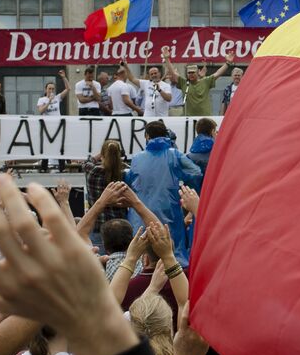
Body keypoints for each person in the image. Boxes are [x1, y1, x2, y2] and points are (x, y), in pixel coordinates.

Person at [126, 120, 202, 265]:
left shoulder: (137, 158)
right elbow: (196, 172)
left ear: (147, 136)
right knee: (173, 256)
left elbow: (131, 180)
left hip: (141, 214)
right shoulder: (175, 155)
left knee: (141, 257)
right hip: (169, 213)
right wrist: (183, 185)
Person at [84, 140, 128, 242]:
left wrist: (99, 155)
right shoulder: (124, 174)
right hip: (120, 226)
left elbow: (86, 163)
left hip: (97, 225)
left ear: (103, 155)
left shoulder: (93, 171)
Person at [166, 59, 232, 117]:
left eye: (193, 72)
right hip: (189, 117)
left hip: (205, 117)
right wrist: (166, 58)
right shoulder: (184, 83)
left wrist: (228, 63)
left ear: (197, 72)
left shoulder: (205, 81)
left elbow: (218, 73)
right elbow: (173, 73)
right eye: (189, 73)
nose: (191, 74)